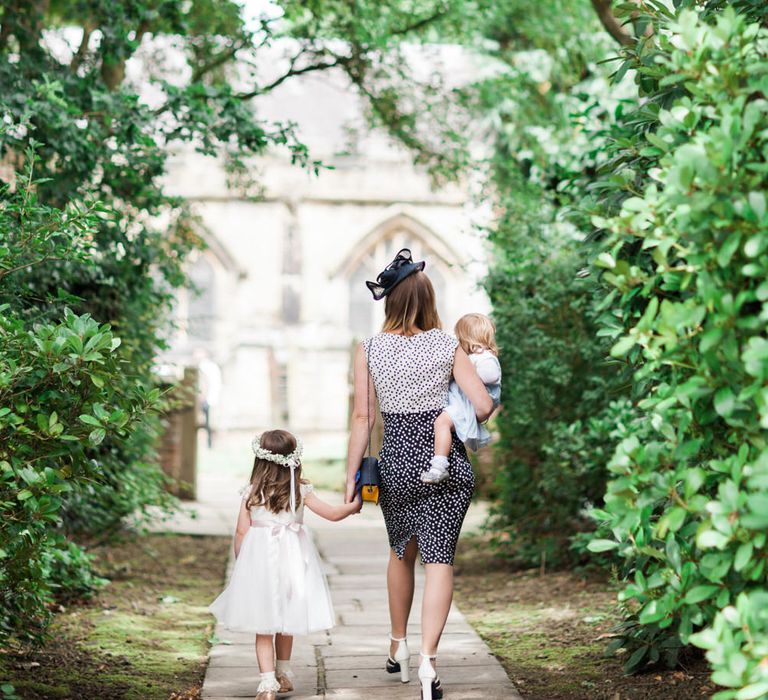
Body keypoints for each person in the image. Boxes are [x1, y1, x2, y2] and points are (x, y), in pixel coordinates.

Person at [346, 249, 493, 700]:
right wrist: (455, 412)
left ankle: (399, 645)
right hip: (443, 463)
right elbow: (483, 407)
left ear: (389, 302)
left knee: (401, 552)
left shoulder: (368, 349)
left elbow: (362, 419)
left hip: (396, 464)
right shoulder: (447, 345)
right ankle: (430, 663)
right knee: (440, 560)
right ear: (429, 300)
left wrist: (351, 477)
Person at [208, 429, 362, 700]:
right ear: (294, 459)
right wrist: (354, 505)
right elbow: (333, 514)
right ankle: (283, 674)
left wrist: (243, 566)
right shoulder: (301, 489)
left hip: (260, 562)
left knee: (264, 625)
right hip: (292, 560)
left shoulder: (252, 491)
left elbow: (241, 532)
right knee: (287, 619)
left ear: (260, 460)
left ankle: (267, 685)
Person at [421, 313, 501, 484]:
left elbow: (491, 376)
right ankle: (439, 464)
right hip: (463, 400)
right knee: (442, 423)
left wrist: (467, 374)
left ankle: (439, 466)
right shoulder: (471, 357)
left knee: (441, 423)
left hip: (471, 403)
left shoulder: (485, 357)